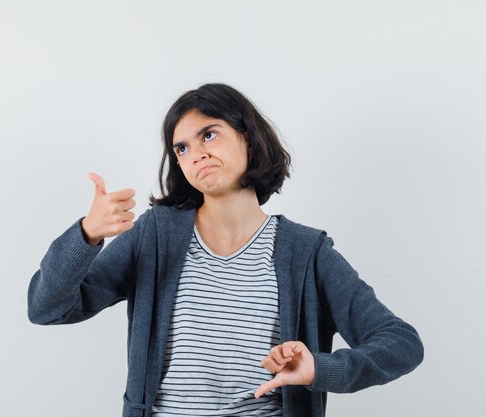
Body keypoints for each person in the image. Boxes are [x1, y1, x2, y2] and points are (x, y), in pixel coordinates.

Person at [27, 83, 424, 417]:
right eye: (181, 148)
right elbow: (48, 308)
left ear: (248, 138)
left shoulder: (306, 252)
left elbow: (400, 343)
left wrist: (319, 367)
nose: (195, 153)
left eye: (209, 134)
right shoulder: (156, 234)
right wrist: (87, 235)